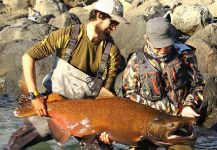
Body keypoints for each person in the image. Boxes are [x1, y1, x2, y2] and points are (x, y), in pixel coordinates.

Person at [7, 0, 129, 149]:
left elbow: (107, 96)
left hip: (88, 117)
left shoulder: (112, 52)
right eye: (113, 22)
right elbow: (28, 57)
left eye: (117, 24)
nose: (115, 28)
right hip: (51, 107)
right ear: (99, 15)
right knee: (14, 146)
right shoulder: (67, 35)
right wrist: (34, 95)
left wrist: (108, 130)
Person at [122, 17, 205, 119]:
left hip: (182, 119)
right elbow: (129, 95)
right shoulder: (135, 62)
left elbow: (198, 85)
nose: (163, 50)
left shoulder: (185, 55)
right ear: (147, 39)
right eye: (158, 47)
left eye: (167, 45)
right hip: (152, 123)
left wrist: (189, 106)